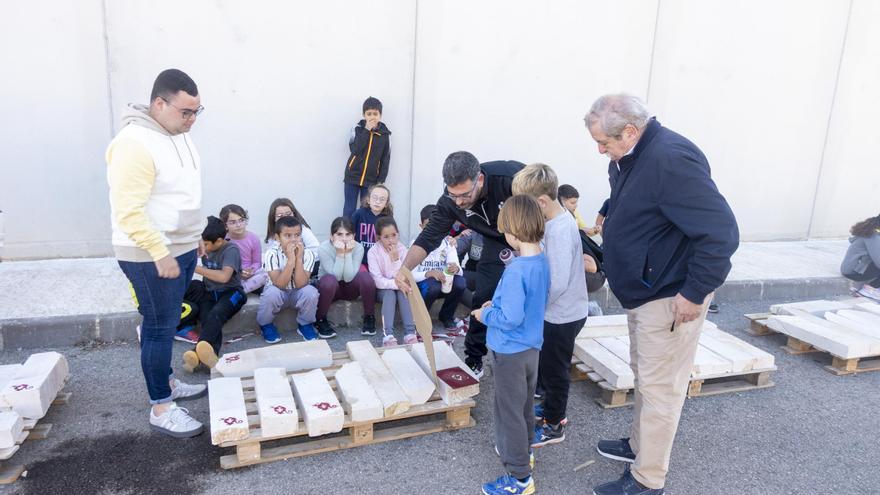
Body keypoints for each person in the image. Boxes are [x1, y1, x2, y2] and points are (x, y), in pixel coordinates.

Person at [585, 94, 739, 495]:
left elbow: (721, 232)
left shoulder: (670, 159)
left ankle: (647, 480)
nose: (600, 150)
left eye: (604, 142)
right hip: (644, 292)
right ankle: (638, 446)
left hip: (669, 295)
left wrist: (695, 292)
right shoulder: (632, 156)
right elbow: (648, 201)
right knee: (645, 375)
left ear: (631, 131)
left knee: (660, 388)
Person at [106, 68, 207, 438]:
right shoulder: (133, 144)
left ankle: (166, 382)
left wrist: (194, 234)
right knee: (159, 328)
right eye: (186, 112)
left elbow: (182, 192)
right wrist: (159, 252)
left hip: (179, 246)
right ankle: (161, 406)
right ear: (159, 103)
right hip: (148, 253)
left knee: (166, 324)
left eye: (197, 111)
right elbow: (128, 211)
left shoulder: (177, 133)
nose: (192, 119)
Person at [395, 152, 525, 378]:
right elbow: (429, 237)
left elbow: (547, 208)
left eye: (465, 195)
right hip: (496, 241)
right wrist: (404, 270)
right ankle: (474, 359)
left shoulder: (510, 178)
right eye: (453, 194)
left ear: (480, 179)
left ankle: (536, 365)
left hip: (529, 239)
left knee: (532, 298)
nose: (459, 202)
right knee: (484, 295)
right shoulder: (450, 201)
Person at [470, 195, 548, 495]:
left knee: (509, 413)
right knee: (524, 406)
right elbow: (524, 307)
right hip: (531, 349)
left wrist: (486, 312)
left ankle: (519, 478)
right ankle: (524, 452)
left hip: (509, 351)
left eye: (504, 231)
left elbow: (511, 318)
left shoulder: (516, 270)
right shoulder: (539, 261)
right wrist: (498, 304)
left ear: (514, 232)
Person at [511, 164, 588, 448]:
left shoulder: (560, 231)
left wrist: (531, 307)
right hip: (556, 313)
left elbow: (556, 283)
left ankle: (555, 423)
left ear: (542, 202)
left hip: (563, 315)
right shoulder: (556, 221)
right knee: (548, 366)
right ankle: (553, 409)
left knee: (555, 371)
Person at [180, 216, 247, 373]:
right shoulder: (204, 245)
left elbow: (224, 277)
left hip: (232, 292)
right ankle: (210, 357)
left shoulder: (231, 250)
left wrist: (194, 268)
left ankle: (197, 352)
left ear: (218, 241)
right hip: (210, 291)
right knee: (207, 317)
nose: (201, 246)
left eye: (205, 244)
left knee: (216, 314)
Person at [256, 216, 320, 343]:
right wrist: (291, 261)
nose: (293, 240)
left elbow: (301, 284)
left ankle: (305, 324)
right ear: (277, 238)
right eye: (287, 236)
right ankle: (266, 325)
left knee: (311, 292)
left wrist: (299, 259)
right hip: (279, 292)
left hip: (297, 292)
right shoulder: (271, 254)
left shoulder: (308, 254)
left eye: (297, 235)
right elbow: (279, 284)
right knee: (271, 293)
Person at [314, 217, 377, 338]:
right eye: (339, 234)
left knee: (366, 278)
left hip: (349, 286)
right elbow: (336, 276)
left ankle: (369, 317)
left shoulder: (358, 248)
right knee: (329, 280)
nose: (344, 238)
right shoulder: (323, 248)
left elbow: (348, 278)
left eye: (348, 234)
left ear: (353, 236)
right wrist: (339, 253)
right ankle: (320, 320)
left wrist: (347, 253)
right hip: (330, 289)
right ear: (332, 236)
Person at [411, 205, 468, 335]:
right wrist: (429, 273)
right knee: (433, 286)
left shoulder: (447, 242)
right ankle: (421, 319)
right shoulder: (415, 244)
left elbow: (459, 270)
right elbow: (410, 274)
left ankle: (446, 316)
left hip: (443, 283)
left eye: (437, 226)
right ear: (421, 226)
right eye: (428, 226)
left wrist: (455, 268)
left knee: (460, 283)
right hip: (424, 285)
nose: (433, 231)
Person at [368, 216, 418, 346]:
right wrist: (395, 284)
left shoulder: (402, 250)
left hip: (400, 286)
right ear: (379, 237)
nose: (391, 240)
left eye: (394, 235)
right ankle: (388, 336)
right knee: (390, 293)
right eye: (386, 237)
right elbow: (377, 280)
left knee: (404, 291)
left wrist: (396, 260)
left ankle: (410, 333)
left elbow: (406, 276)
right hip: (383, 289)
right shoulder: (373, 252)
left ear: (398, 234)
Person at [343, 96, 391, 219]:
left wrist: (380, 181)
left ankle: (361, 236)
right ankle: (346, 235)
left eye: (375, 113)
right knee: (349, 209)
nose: (372, 117)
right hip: (352, 176)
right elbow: (355, 150)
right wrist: (366, 130)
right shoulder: (357, 129)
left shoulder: (384, 135)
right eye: (369, 114)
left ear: (380, 115)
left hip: (370, 180)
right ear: (364, 115)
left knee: (365, 210)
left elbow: (385, 159)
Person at [220, 204, 267, 294]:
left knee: (266, 274)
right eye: (233, 222)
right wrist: (237, 273)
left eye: (241, 220)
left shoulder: (254, 239)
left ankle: (241, 289)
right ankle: (239, 289)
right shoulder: (223, 240)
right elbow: (221, 263)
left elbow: (257, 262)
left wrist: (251, 270)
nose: (238, 225)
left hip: (250, 274)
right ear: (225, 225)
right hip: (231, 274)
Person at [841, 213, 880, 301]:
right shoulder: (873, 235)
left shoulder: (872, 232)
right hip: (854, 271)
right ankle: (870, 289)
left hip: (857, 268)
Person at [352, 183, 393, 266]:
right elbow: (350, 234)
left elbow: (390, 242)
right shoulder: (358, 214)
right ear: (368, 199)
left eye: (382, 199)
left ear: (386, 204)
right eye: (374, 197)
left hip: (379, 262)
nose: (378, 201)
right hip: (359, 261)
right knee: (365, 279)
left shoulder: (388, 219)